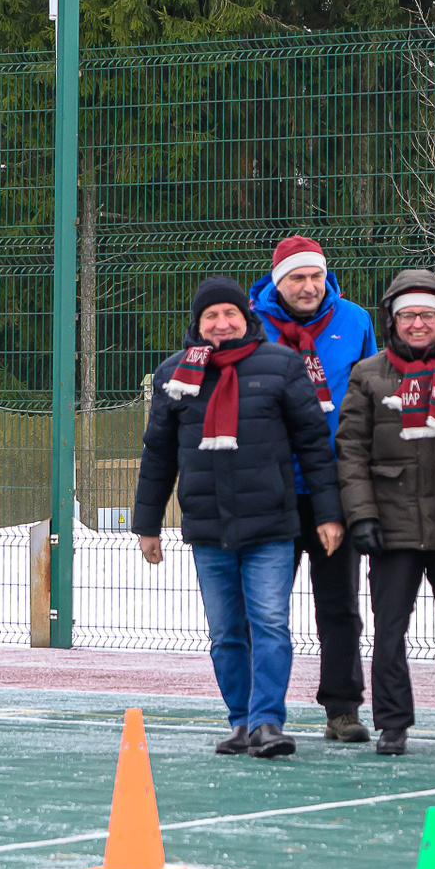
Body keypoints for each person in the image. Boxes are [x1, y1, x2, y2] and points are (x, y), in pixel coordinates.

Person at [134, 276, 346, 759]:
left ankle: (268, 722)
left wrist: (328, 513)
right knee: (226, 633)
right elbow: (157, 454)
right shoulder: (174, 375)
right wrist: (147, 524)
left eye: (229, 313)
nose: (221, 323)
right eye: (211, 315)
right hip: (208, 528)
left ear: (245, 318)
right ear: (198, 323)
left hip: (271, 525)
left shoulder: (282, 366)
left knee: (269, 623)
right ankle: (241, 721)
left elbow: (314, 445)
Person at [335, 271, 435, 756]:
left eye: (428, 314)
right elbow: (351, 449)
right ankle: (392, 724)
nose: (418, 324)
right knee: (389, 632)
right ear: (392, 321)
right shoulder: (368, 374)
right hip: (391, 526)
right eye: (408, 315)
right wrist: (362, 515)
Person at [249, 236, 378, 744]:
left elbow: (370, 396)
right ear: (278, 281)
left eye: (315, 276)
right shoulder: (251, 325)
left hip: (334, 486)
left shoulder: (355, 321)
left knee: (340, 605)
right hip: (271, 488)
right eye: (297, 277)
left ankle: (342, 710)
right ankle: (260, 713)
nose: (308, 286)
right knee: (265, 610)